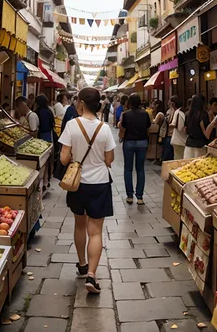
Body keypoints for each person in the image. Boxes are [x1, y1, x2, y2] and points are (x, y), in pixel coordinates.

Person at [59, 87, 116, 294]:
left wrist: (75, 153)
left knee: (79, 225)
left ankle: (82, 263)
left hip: (77, 184)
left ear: (81, 103)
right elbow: (110, 160)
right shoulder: (105, 128)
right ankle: (91, 275)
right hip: (100, 183)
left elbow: (64, 159)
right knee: (96, 231)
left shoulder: (72, 126)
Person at [121, 93, 151, 205]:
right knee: (140, 169)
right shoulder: (145, 114)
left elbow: (123, 129)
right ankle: (140, 197)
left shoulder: (126, 114)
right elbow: (148, 128)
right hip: (142, 142)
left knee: (128, 169)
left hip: (128, 142)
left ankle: (129, 195)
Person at [185, 94, 217, 159]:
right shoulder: (203, 115)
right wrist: (212, 124)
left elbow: (185, 129)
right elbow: (206, 135)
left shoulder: (188, 114)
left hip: (189, 145)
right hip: (200, 146)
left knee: (188, 167)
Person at [170, 96, 187, 160]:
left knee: (178, 158)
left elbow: (175, 125)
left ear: (173, 104)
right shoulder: (182, 111)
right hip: (182, 139)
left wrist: (169, 125)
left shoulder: (177, 112)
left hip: (178, 139)